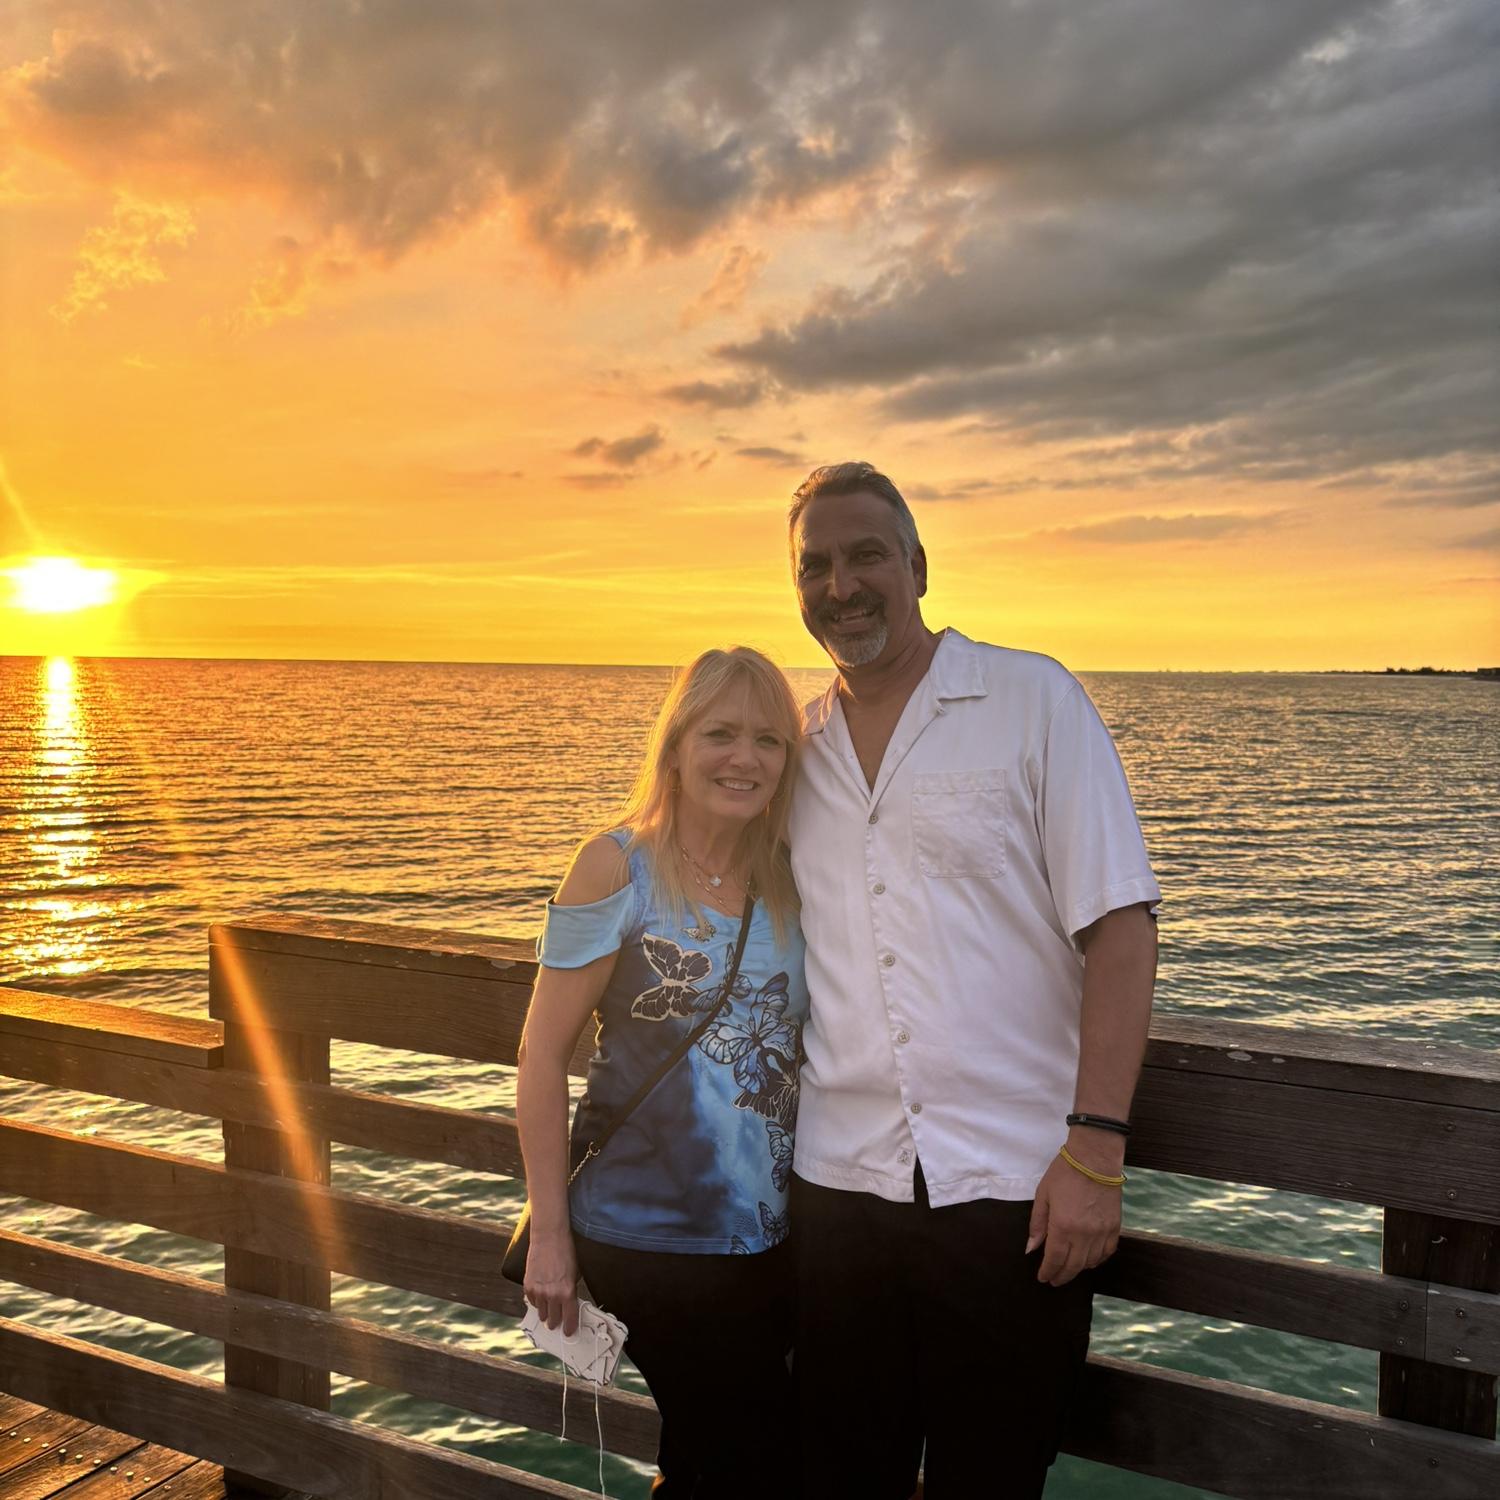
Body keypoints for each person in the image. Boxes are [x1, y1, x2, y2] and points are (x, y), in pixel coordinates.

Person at [784, 462, 1160, 1498]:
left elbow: (1121, 928)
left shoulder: (1031, 700)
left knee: (989, 1478)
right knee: (841, 1477)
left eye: (866, 555)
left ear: (918, 565)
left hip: (1014, 1192)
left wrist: (1096, 1151)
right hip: (835, 1192)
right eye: (815, 565)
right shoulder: (794, 749)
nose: (841, 585)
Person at [515, 645, 807, 1498]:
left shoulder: (786, 875)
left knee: (716, 1459)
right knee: (747, 1461)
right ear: (676, 745)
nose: (744, 758)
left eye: (768, 739)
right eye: (720, 733)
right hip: (643, 1232)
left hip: (766, 1235)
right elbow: (540, 1055)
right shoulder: (616, 865)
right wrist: (550, 1235)